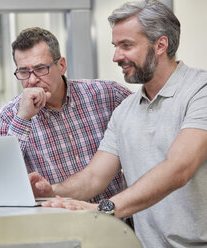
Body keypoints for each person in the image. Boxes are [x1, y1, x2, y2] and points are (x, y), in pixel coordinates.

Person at [30, 1, 207, 247]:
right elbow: (94, 177)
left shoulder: (200, 91)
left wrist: (107, 208)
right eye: (116, 46)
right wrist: (52, 192)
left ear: (160, 45)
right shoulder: (125, 111)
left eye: (126, 45)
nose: (116, 57)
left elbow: (179, 168)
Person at [0, 27, 132, 203]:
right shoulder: (8, 117)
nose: (32, 79)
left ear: (61, 65)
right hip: (59, 224)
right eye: (23, 72)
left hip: (118, 218)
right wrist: (23, 118)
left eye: (40, 68)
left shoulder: (109, 95)